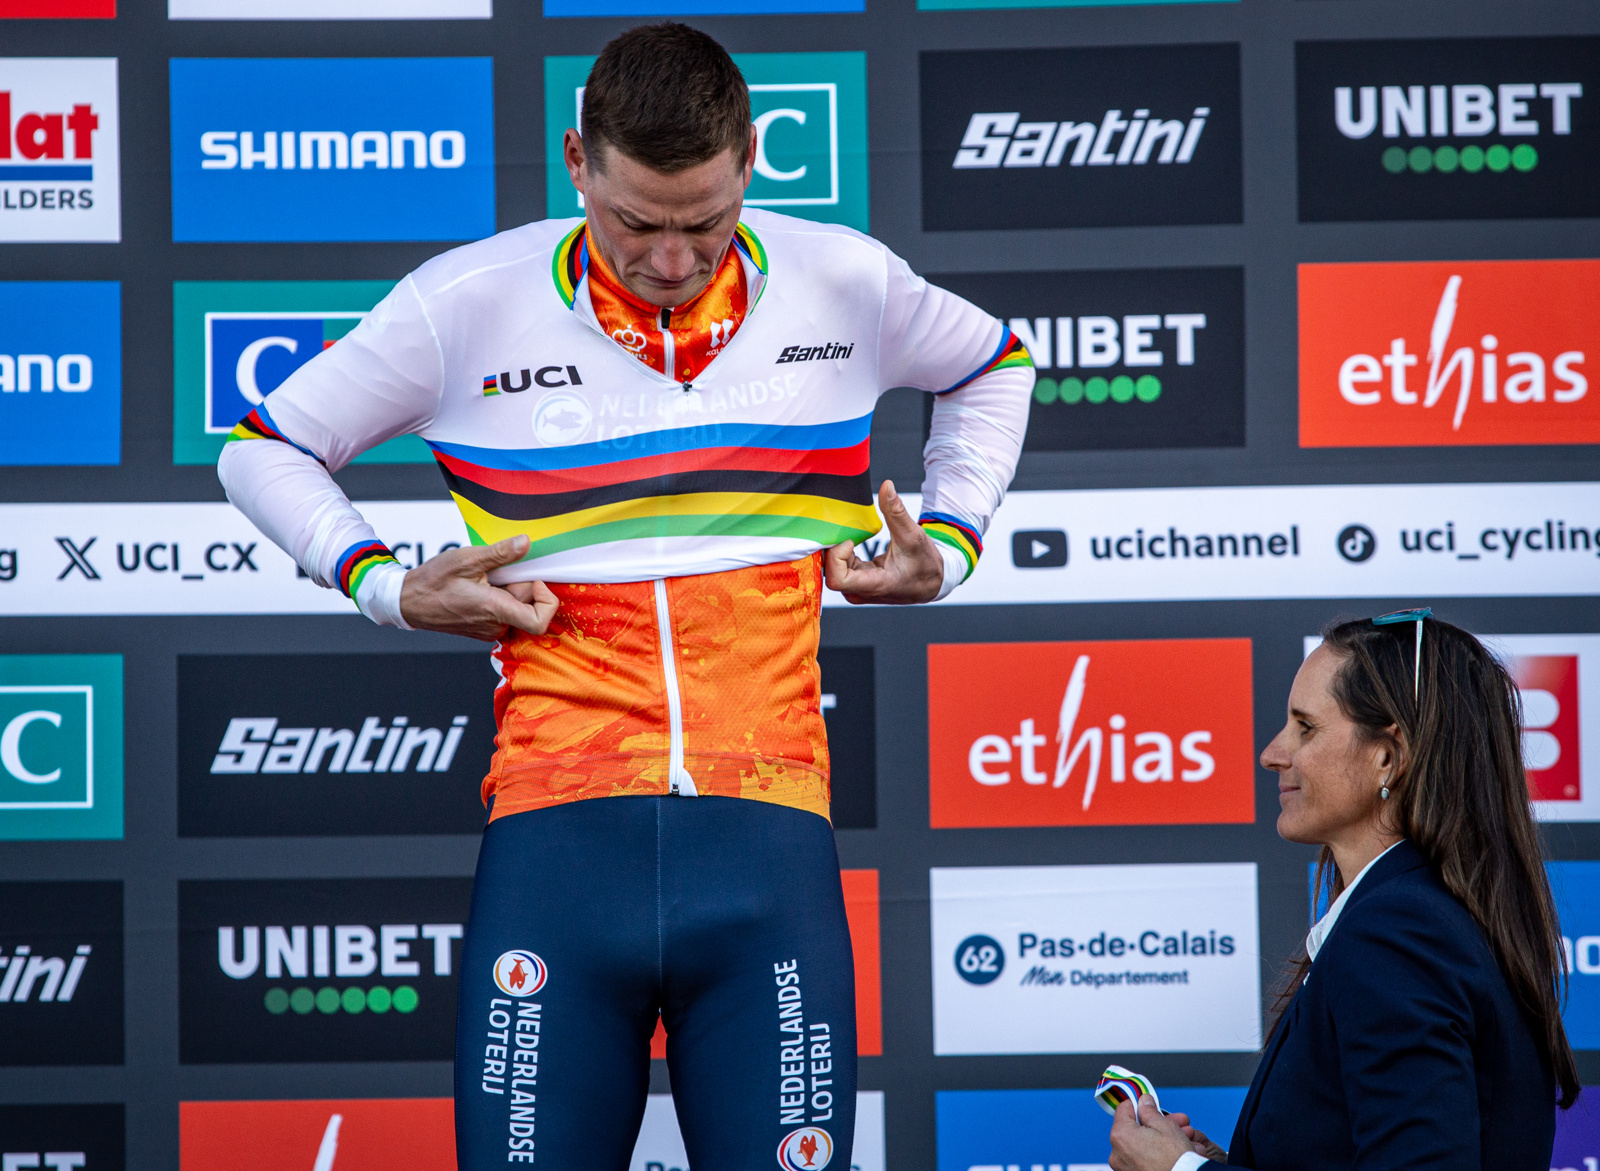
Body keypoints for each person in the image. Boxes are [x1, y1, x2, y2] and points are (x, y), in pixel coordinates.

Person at [217, 22, 1033, 1171]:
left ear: (752, 160)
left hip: (769, 845)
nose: (671, 258)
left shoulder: (841, 280)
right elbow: (263, 448)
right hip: (557, 844)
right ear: (577, 163)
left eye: (706, 220)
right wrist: (385, 584)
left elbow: (994, 364)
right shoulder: (469, 302)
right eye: (636, 222)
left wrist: (948, 542)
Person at [1109, 611, 1580, 1171]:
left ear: (1389, 756)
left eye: (1306, 728)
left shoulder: (1397, 934)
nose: (1272, 753)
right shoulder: (1427, 917)